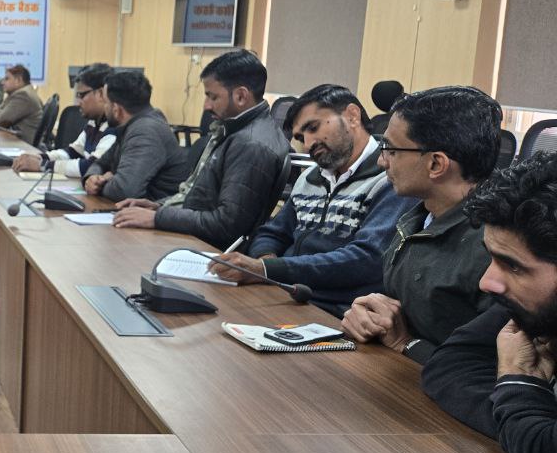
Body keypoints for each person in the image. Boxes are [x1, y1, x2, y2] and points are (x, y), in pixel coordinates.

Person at [208, 84, 412, 316]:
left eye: (313, 128)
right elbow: (273, 233)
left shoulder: (391, 177)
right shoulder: (309, 178)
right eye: (300, 137)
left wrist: (269, 269)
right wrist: (267, 262)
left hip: (339, 312)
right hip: (287, 295)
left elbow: (366, 259)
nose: (307, 145)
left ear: (352, 116)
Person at [419, 153, 557, 453]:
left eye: (513, 266)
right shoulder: (533, 306)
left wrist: (518, 387)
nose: (487, 282)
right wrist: (524, 421)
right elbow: (450, 363)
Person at [341, 86, 501, 362]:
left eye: (390, 150)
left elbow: (491, 367)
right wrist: (370, 315)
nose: (381, 161)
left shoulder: (495, 246)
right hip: (392, 369)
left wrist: (407, 343)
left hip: (434, 384)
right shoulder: (419, 216)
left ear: (436, 164)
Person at [110, 49, 290, 250]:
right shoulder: (235, 130)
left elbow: (226, 225)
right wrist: (159, 206)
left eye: (213, 97)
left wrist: (158, 218)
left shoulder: (251, 145)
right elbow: (200, 200)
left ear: (240, 96)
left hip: (205, 249)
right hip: (190, 237)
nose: (206, 106)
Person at [82, 70, 189, 201]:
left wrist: (102, 184)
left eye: (105, 103)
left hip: (153, 210)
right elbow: (100, 163)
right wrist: (92, 178)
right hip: (132, 209)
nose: (104, 108)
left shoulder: (146, 132)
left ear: (116, 109)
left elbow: (124, 190)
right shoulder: (131, 127)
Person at [16, 62, 115, 178]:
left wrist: (43, 165)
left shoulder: (114, 128)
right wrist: (40, 157)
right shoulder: (94, 122)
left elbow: (91, 167)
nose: (78, 102)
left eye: (81, 95)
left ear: (101, 94)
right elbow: (72, 152)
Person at [0, 64, 44, 142]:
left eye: (7, 79)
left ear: (18, 80)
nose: (2, 83)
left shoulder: (23, 96)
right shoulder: (22, 93)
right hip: (18, 140)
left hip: (24, 144)